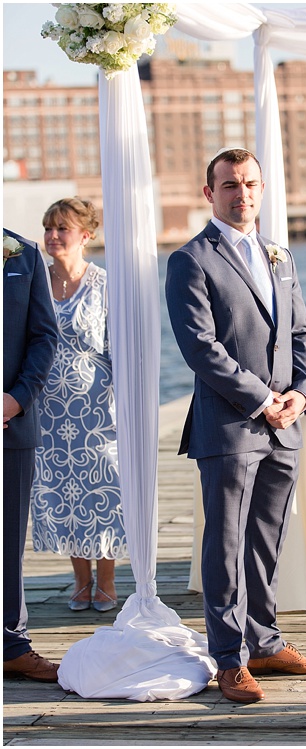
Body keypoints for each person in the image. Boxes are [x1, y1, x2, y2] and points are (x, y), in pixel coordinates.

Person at [165, 147, 306, 703]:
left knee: (268, 539)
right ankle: (229, 658)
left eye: (251, 183)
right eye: (230, 185)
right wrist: (263, 399)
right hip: (231, 426)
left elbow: (303, 335)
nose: (243, 194)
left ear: (262, 189)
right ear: (208, 192)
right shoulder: (190, 260)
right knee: (226, 545)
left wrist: (300, 398)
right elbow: (201, 349)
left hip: (285, 424)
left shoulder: (279, 255)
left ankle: (265, 641)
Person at [30, 199, 127, 615]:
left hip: (97, 407)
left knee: (103, 488)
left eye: (62, 228)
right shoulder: (32, 281)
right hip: (47, 407)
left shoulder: (106, 284)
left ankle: (105, 579)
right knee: (62, 491)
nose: (53, 235)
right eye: (48, 228)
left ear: (85, 235)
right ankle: (80, 578)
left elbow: (119, 348)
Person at [3, 228, 60, 682]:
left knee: (8, 542)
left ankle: (11, 643)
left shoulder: (24, 254)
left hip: (12, 424)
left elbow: (44, 336)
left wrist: (17, 400)